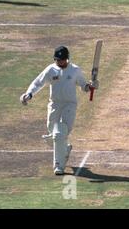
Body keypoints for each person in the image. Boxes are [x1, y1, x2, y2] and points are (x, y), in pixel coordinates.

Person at [19, 46, 98, 175]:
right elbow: (38, 82)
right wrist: (29, 94)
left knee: (59, 134)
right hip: (54, 105)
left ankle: (58, 165)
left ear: (67, 59)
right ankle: (65, 149)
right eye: (57, 60)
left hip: (69, 105)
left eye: (62, 60)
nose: (60, 62)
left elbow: (84, 86)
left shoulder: (75, 70)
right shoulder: (51, 70)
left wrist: (91, 86)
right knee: (52, 134)